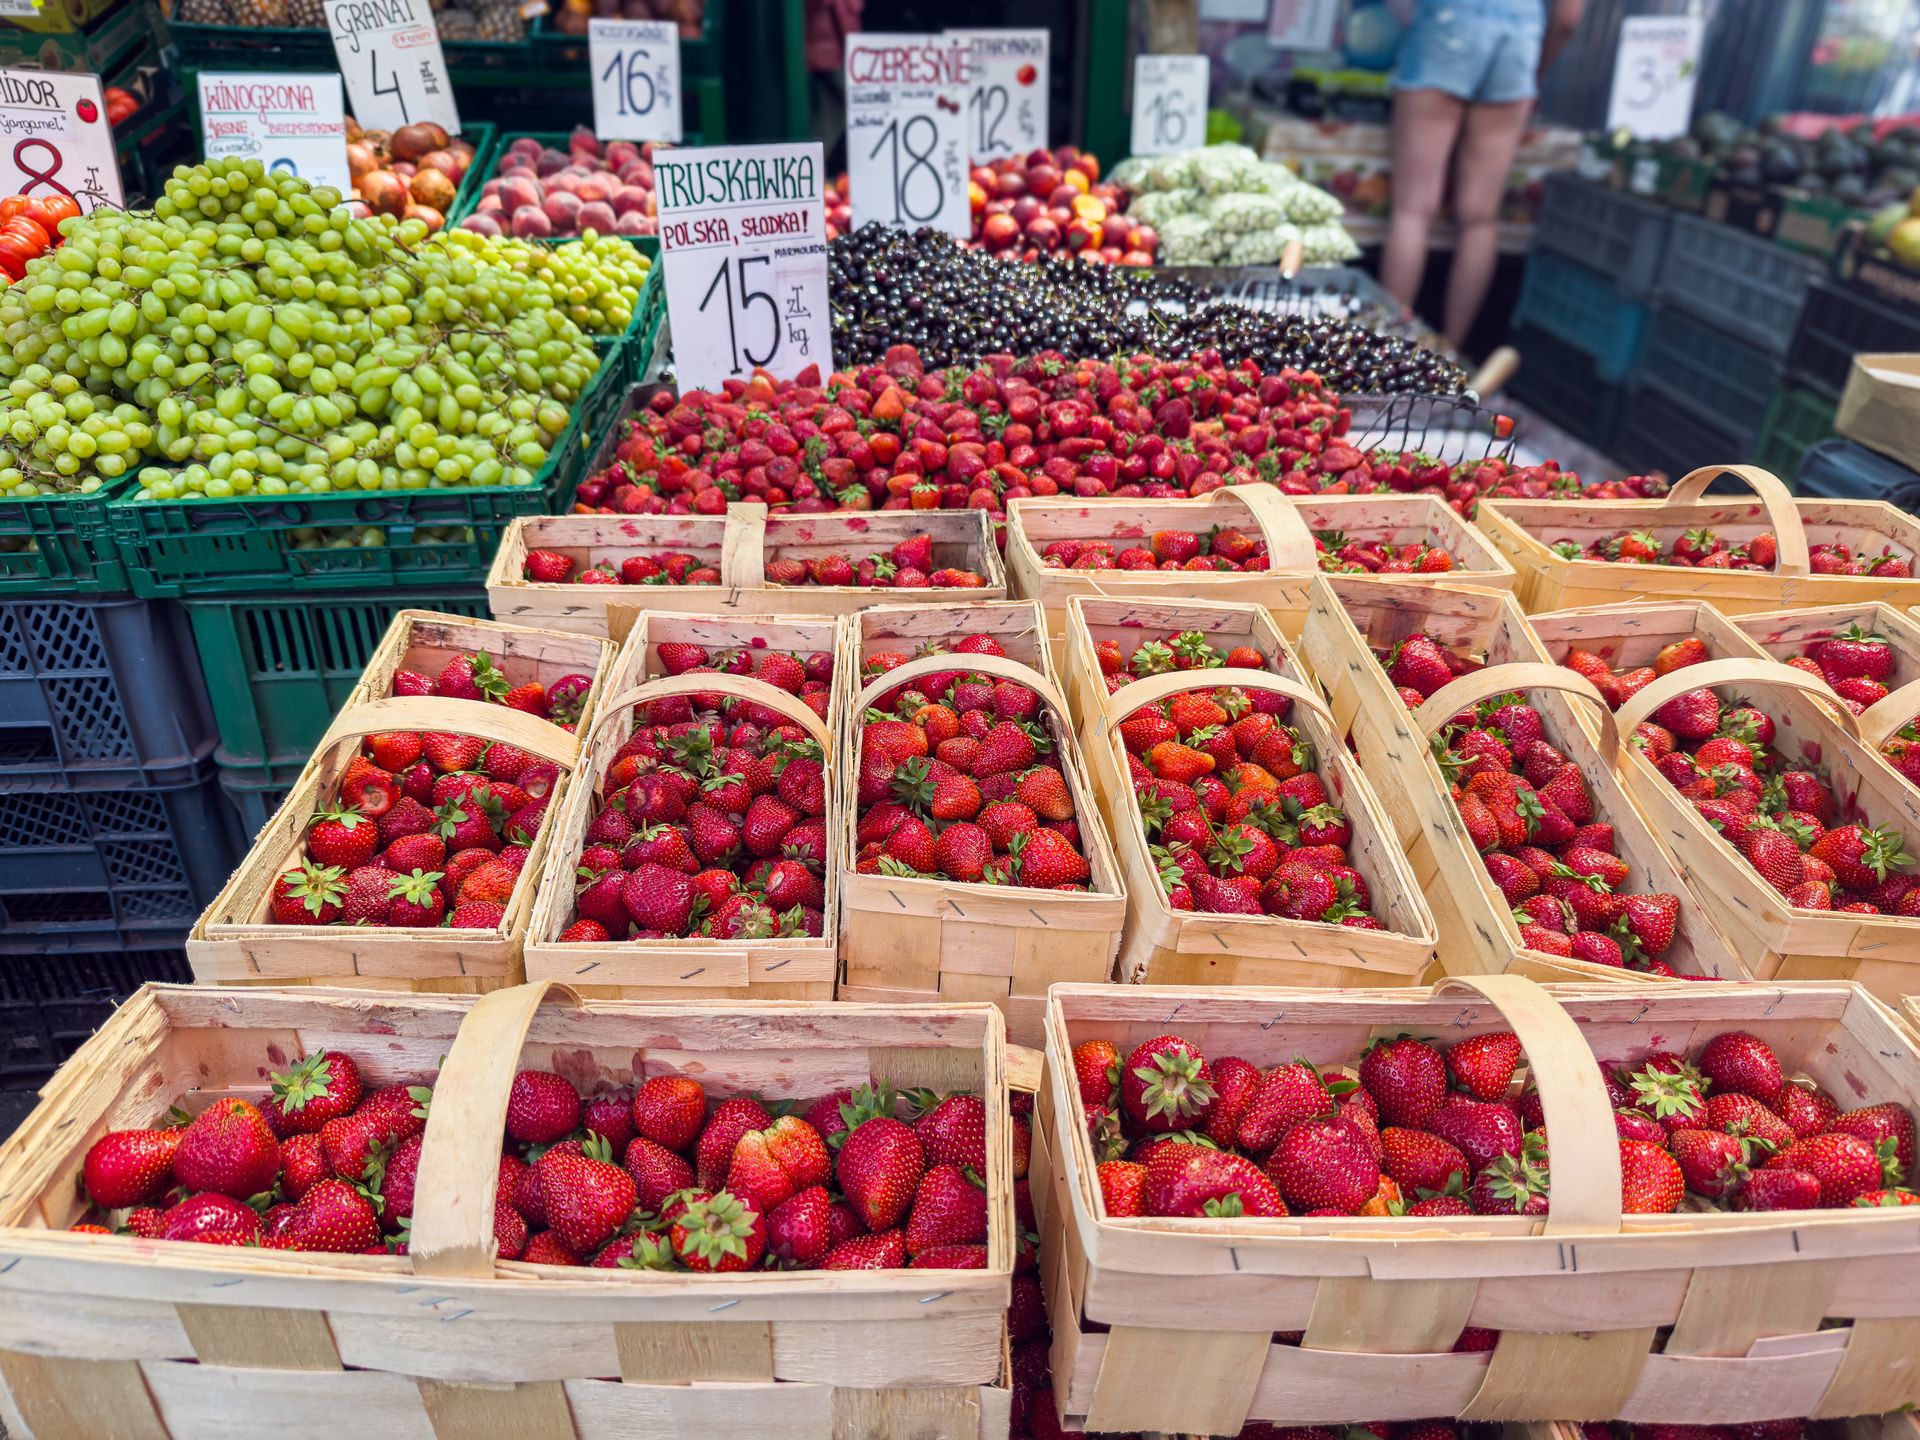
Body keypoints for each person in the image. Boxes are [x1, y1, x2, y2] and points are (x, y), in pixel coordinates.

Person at [1381, 0, 1585, 351]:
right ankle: (1451, 358)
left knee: (1413, 210)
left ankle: (1385, 353)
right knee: (1480, 219)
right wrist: (1536, 72)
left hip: (1445, 28)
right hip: (1518, 43)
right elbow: (1568, 18)